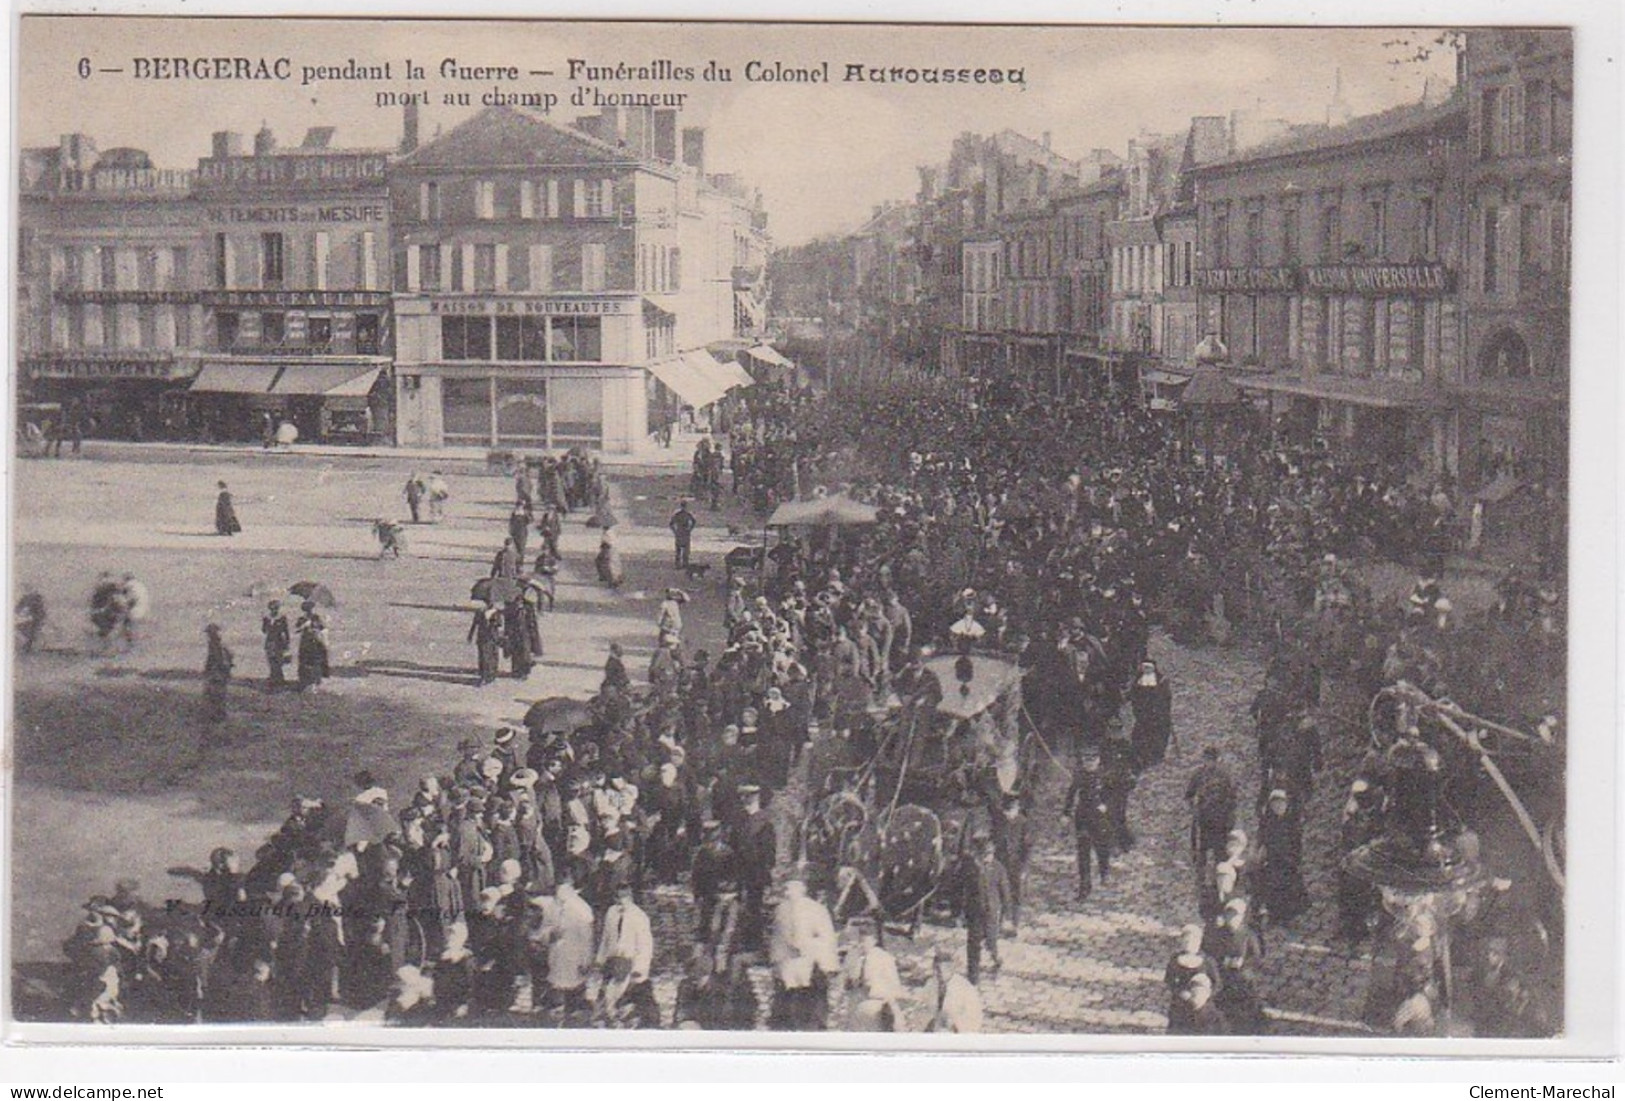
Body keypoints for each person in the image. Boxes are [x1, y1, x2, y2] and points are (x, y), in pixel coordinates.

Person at [768, 878, 838, 1031]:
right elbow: (777, 937)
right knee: (788, 995)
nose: (787, 893)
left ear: (802, 890)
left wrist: (825, 960)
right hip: (787, 961)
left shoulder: (816, 909)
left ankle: (812, 1027)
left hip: (810, 960)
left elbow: (826, 937)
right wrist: (775, 961)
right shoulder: (781, 910)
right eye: (785, 890)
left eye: (790, 889)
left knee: (811, 997)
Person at [595, 882, 658, 1028]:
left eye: (623, 897)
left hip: (629, 962)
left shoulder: (639, 916)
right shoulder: (611, 913)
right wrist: (600, 958)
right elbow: (606, 937)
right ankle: (606, 1017)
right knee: (607, 994)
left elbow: (645, 945)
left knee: (626, 997)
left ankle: (627, 1019)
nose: (620, 901)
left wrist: (640, 968)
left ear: (630, 896)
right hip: (612, 961)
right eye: (617, 897)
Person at [838, 916, 907, 1031]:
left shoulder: (883, 957)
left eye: (863, 940)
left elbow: (894, 987)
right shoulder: (852, 957)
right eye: (856, 940)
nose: (859, 944)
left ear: (874, 939)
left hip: (879, 1005)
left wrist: (884, 999)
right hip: (857, 1006)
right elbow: (846, 982)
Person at [959, 835, 1011, 985]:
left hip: (992, 912)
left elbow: (1005, 891)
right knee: (974, 944)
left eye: (990, 854)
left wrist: (1007, 913)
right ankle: (973, 976)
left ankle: (995, 957)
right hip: (974, 912)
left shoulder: (998, 868)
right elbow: (962, 889)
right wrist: (960, 912)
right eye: (985, 855)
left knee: (991, 940)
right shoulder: (970, 868)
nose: (988, 858)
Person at [1063, 752, 1112, 901]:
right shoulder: (1079, 776)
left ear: (1098, 761)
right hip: (1083, 817)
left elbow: (1114, 794)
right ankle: (1085, 887)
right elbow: (1071, 794)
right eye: (1086, 761)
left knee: (1102, 847)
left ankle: (1104, 870)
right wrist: (1066, 813)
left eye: (1093, 760)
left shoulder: (1106, 775)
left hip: (1100, 817)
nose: (1089, 764)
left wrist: (1106, 805)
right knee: (1083, 852)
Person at [1256, 789, 1309, 928]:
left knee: (1290, 887)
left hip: (1289, 861)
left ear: (1286, 805)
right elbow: (1263, 840)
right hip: (1273, 861)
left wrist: (1295, 859)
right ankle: (1275, 915)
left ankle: (1290, 916)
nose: (1278, 807)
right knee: (1273, 887)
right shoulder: (1268, 823)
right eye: (1274, 805)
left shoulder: (1292, 823)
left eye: (1281, 804)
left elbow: (1297, 843)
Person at [735, 785, 776, 953]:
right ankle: (742, 937)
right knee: (740, 904)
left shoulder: (764, 822)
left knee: (754, 906)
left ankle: (753, 941)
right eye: (744, 798)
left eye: (749, 798)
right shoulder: (740, 819)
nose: (746, 801)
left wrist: (764, 870)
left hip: (756, 871)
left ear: (756, 800)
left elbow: (769, 852)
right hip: (740, 869)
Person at [1185, 746, 1237, 869]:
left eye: (1212, 760)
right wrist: (1194, 809)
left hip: (1220, 818)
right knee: (1201, 851)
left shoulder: (1224, 775)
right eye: (1207, 759)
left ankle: (1218, 882)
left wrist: (1230, 817)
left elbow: (1232, 798)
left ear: (1217, 760)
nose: (1209, 763)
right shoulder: (1198, 774)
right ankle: (1200, 880)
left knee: (1220, 852)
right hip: (1204, 818)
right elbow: (1189, 795)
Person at [923, 947, 983, 1033]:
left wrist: (955, 1024)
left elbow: (975, 1017)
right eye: (935, 969)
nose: (936, 974)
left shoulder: (964, 988)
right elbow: (925, 1007)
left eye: (940, 970)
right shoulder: (931, 983)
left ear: (950, 970)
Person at [1129, 659, 1174, 769]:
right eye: (1144, 668)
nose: (1146, 670)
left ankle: (1155, 757)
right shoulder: (1138, 681)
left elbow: (1166, 699)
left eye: (1149, 668)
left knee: (1157, 737)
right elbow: (1134, 696)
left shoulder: (1161, 681)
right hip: (1143, 716)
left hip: (1158, 716)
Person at [294, 601, 330, 691]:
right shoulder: (302, 619)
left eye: (310, 609)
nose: (309, 611)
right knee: (305, 661)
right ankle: (306, 681)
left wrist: (315, 629)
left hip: (315, 641)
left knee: (316, 661)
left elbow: (323, 628)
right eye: (307, 609)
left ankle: (316, 680)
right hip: (305, 642)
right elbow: (296, 629)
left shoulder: (316, 617)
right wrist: (304, 626)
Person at [203, 624, 233, 724]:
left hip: (218, 672)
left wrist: (211, 669)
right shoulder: (215, 644)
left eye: (210, 633)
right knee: (215, 693)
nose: (208, 635)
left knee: (216, 693)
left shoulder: (217, 644)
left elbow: (217, 658)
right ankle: (218, 714)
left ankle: (219, 715)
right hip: (218, 671)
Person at [468, 602, 502, 687]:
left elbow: (499, 624)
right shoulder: (480, 612)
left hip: (492, 638)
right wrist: (470, 635)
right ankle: (485, 676)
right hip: (482, 637)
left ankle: (491, 675)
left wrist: (493, 622)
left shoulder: (497, 613)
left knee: (492, 657)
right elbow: (474, 624)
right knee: (483, 657)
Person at [261, 600, 291, 690]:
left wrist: (287, 644)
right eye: (272, 609)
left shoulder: (282, 619)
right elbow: (264, 631)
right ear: (270, 609)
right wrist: (265, 622)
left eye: (276, 608)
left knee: (278, 662)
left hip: (279, 642)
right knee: (271, 661)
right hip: (270, 642)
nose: (274, 610)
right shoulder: (267, 619)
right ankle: (276, 679)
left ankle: (277, 680)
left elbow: (286, 632)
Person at [15, 587, 46, 654]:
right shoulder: (26, 601)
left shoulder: (34, 602)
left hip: (32, 620)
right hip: (28, 620)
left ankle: (28, 646)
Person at [669, 499, 698, 569]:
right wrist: (690, 529)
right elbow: (694, 522)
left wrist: (675, 531)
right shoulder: (686, 514)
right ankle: (682, 564)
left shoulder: (679, 514)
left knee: (681, 550)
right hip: (684, 531)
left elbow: (671, 524)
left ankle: (680, 564)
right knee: (683, 549)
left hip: (681, 531)